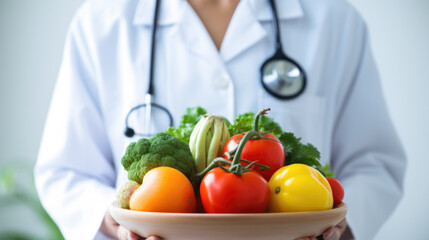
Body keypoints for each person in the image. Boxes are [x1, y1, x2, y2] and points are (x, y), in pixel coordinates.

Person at [34, 0, 406, 239]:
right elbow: (65, 170)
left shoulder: (334, 19)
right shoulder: (101, 20)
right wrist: (116, 221)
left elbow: (374, 162)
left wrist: (338, 224)